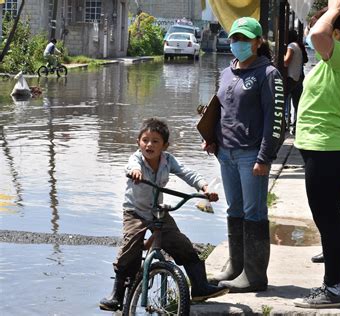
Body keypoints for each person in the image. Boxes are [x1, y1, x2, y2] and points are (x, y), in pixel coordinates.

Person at [99, 118, 228, 311]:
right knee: (130, 248)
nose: (149, 144)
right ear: (138, 142)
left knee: (182, 245)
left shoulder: (168, 160)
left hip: (157, 212)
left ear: (164, 146)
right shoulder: (137, 160)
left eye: (155, 141)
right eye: (145, 140)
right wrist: (135, 172)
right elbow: (131, 166)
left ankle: (200, 287)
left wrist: (204, 187)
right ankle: (116, 295)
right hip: (135, 212)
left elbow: (187, 173)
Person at [292, 0, 340, 309]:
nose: (317, 27)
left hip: (327, 148)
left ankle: (333, 286)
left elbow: (316, 35)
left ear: (336, 32)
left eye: (326, 24)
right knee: (333, 220)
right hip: (326, 147)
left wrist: (335, 8)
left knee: (327, 221)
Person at [203, 17, 284, 293]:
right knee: (234, 209)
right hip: (226, 153)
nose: (238, 43)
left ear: (258, 42)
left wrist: (264, 157)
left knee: (254, 212)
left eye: (245, 39)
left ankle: (254, 275)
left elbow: (275, 121)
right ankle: (235, 267)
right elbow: (221, 111)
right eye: (235, 38)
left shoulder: (268, 74)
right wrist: (212, 139)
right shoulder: (228, 72)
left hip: (252, 155)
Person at [284, 29, 308, 133]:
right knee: (297, 104)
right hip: (298, 78)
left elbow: (286, 62)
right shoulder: (298, 45)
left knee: (283, 101)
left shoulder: (291, 46)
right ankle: (297, 126)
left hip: (290, 78)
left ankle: (284, 124)